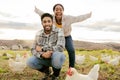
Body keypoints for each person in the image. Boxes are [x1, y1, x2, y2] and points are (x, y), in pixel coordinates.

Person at [35, 3, 92, 68]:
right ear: (54, 11)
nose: (58, 11)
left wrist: (89, 15)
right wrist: (36, 9)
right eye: (56, 9)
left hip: (66, 36)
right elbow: (42, 14)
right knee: (52, 51)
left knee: (71, 50)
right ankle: (51, 67)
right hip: (56, 37)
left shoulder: (68, 18)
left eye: (60, 9)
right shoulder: (51, 17)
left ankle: (71, 68)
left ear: (63, 11)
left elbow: (78, 18)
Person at [27, 13, 65, 80]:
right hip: (44, 58)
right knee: (30, 62)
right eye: (44, 22)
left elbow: (61, 47)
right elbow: (33, 49)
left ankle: (55, 75)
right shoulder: (38, 33)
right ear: (42, 23)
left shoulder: (59, 31)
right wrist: (42, 55)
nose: (47, 23)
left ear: (52, 22)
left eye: (49, 21)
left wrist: (43, 48)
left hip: (55, 57)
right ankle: (47, 72)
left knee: (57, 56)